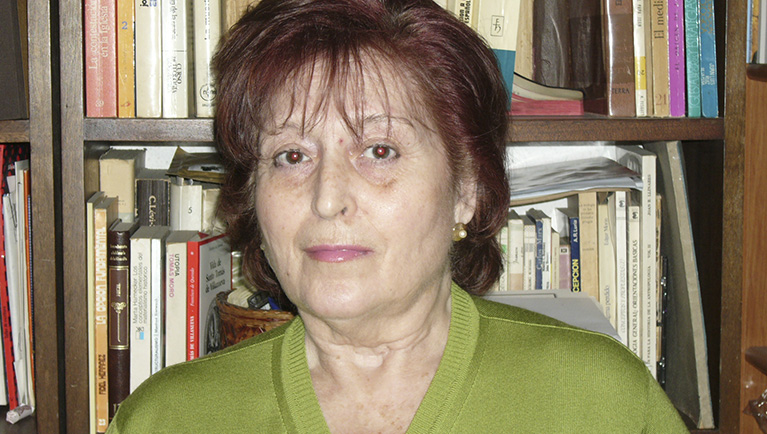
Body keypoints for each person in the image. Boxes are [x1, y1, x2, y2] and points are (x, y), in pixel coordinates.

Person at [107, 0, 689, 432]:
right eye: (292, 156)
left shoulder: (601, 402)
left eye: (379, 150)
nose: (327, 199)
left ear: (466, 189)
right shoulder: (166, 419)